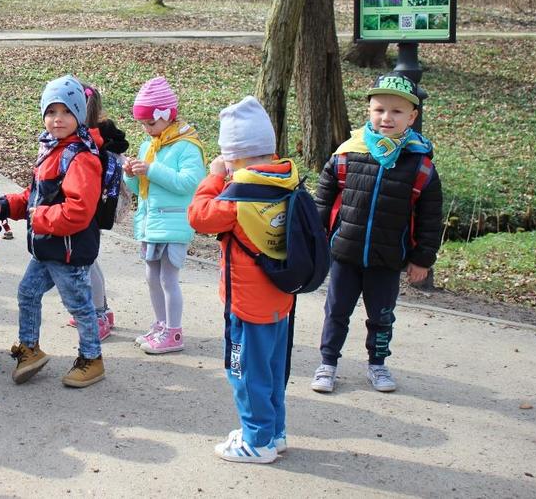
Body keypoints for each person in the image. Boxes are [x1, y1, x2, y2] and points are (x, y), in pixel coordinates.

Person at [311, 74, 442, 395]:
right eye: (380, 109)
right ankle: (327, 362)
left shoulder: (420, 165)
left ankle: (378, 363)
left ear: (412, 117)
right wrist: (314, 243)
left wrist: (422, 259)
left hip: (388, 259)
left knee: (382, 316)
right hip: (344, 254)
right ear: (369, 111)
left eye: (397, 112)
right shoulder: (346, 155)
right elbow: (322, 203)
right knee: (336, 311)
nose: (387, 117)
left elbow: (430, 219)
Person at [188, 95, 294, 463]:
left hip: (247, 306)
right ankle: (274, 431)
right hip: (281, 298)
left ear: (235, 156)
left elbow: (199, 216)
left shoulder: (236, 197)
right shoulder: (286, 182)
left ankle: (256, 441)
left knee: (245, 374)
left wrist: (215, 175)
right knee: (273, 369)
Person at [0, 75, 106, 388]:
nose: (57, 119)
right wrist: (6, 205)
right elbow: (35, 195)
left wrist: (40, 218)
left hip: (67, 249)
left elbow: (79, 212)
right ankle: (29, 348)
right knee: (27, 292)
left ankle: (92, 358)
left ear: (79, 116)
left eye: (66, 112)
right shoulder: (52, 149)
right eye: (51, 112)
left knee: (80, 305)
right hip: (47, 247)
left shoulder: (82, 157)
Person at [123, 77, 206, 354]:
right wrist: (131, 176)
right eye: (143, 124)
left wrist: (151, 170)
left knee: (168, 279)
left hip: (173, 223)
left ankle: (174, 332)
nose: (146, 130)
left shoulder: (187, 145)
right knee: (151, 277)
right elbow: (142, 190)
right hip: (151, 222)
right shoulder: (149, 146)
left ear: (167, 116)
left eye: (151, 123)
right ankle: (161, 324)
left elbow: (190, 183)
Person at [65, 82, 129, 340]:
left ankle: (99, 313)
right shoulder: (101, 136)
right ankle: (103, 310)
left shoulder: (92, 140)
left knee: (87, 260)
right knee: (90, 259)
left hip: (89, 207)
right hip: (92, 206)